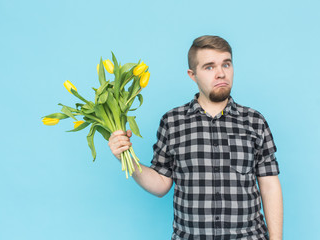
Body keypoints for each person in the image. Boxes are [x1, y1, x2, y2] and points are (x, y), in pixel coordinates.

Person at [108, 35, 283, 240]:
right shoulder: (172, 122)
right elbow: (161, 184)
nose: (220, 73)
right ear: (193, 75)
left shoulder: (255, 121)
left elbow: (269, 185)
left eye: (226, 64)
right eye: (209, 67)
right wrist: (126, 158)